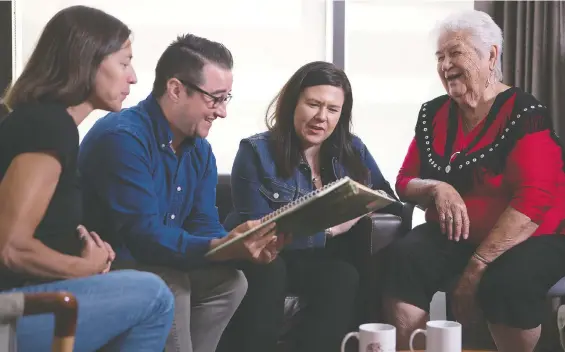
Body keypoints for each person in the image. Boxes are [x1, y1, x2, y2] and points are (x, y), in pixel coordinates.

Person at [78, 33, 284, 352]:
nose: (222, 111)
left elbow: (203, 225)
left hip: (157, 264)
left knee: (230, 282)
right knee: (172, 285)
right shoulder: (123, 138)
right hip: (103, 266)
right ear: (175, 89)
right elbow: (145, 238)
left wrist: (239, 245)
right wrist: (221, 244)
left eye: (226, 98)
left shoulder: (200, 151)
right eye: (214, 98)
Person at [383, 10, 565, 352]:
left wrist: (476, 267)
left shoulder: (524, 113)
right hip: (457, 233)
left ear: (491, 55)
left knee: (506, 282)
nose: (445, 64)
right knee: (404, 257)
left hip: (534, 234)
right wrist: (437, 187)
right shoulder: (433, 113)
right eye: (440, 56)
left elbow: (535, 200)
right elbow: (405, 180)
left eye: (455, 53)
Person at [0, 5, 174, 352]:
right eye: (124, 62)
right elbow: (10, 247)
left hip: (31, 297)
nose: (134, 77)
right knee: (155, 295)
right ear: (87, 60)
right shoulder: (48, 126)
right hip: (12, 309)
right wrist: (82, 267)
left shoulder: (48, 124)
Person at [220, 61, 399, 352]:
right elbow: (256, 234)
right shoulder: (255, 151)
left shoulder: (352, 150)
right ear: (293, 104)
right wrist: (329, 230)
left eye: (332, 109)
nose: (321, 117)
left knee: (342, 275)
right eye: (313, 104)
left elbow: (384, 195)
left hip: (312, 259)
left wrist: (363, 205)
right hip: (261, 256)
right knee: (271, 271)